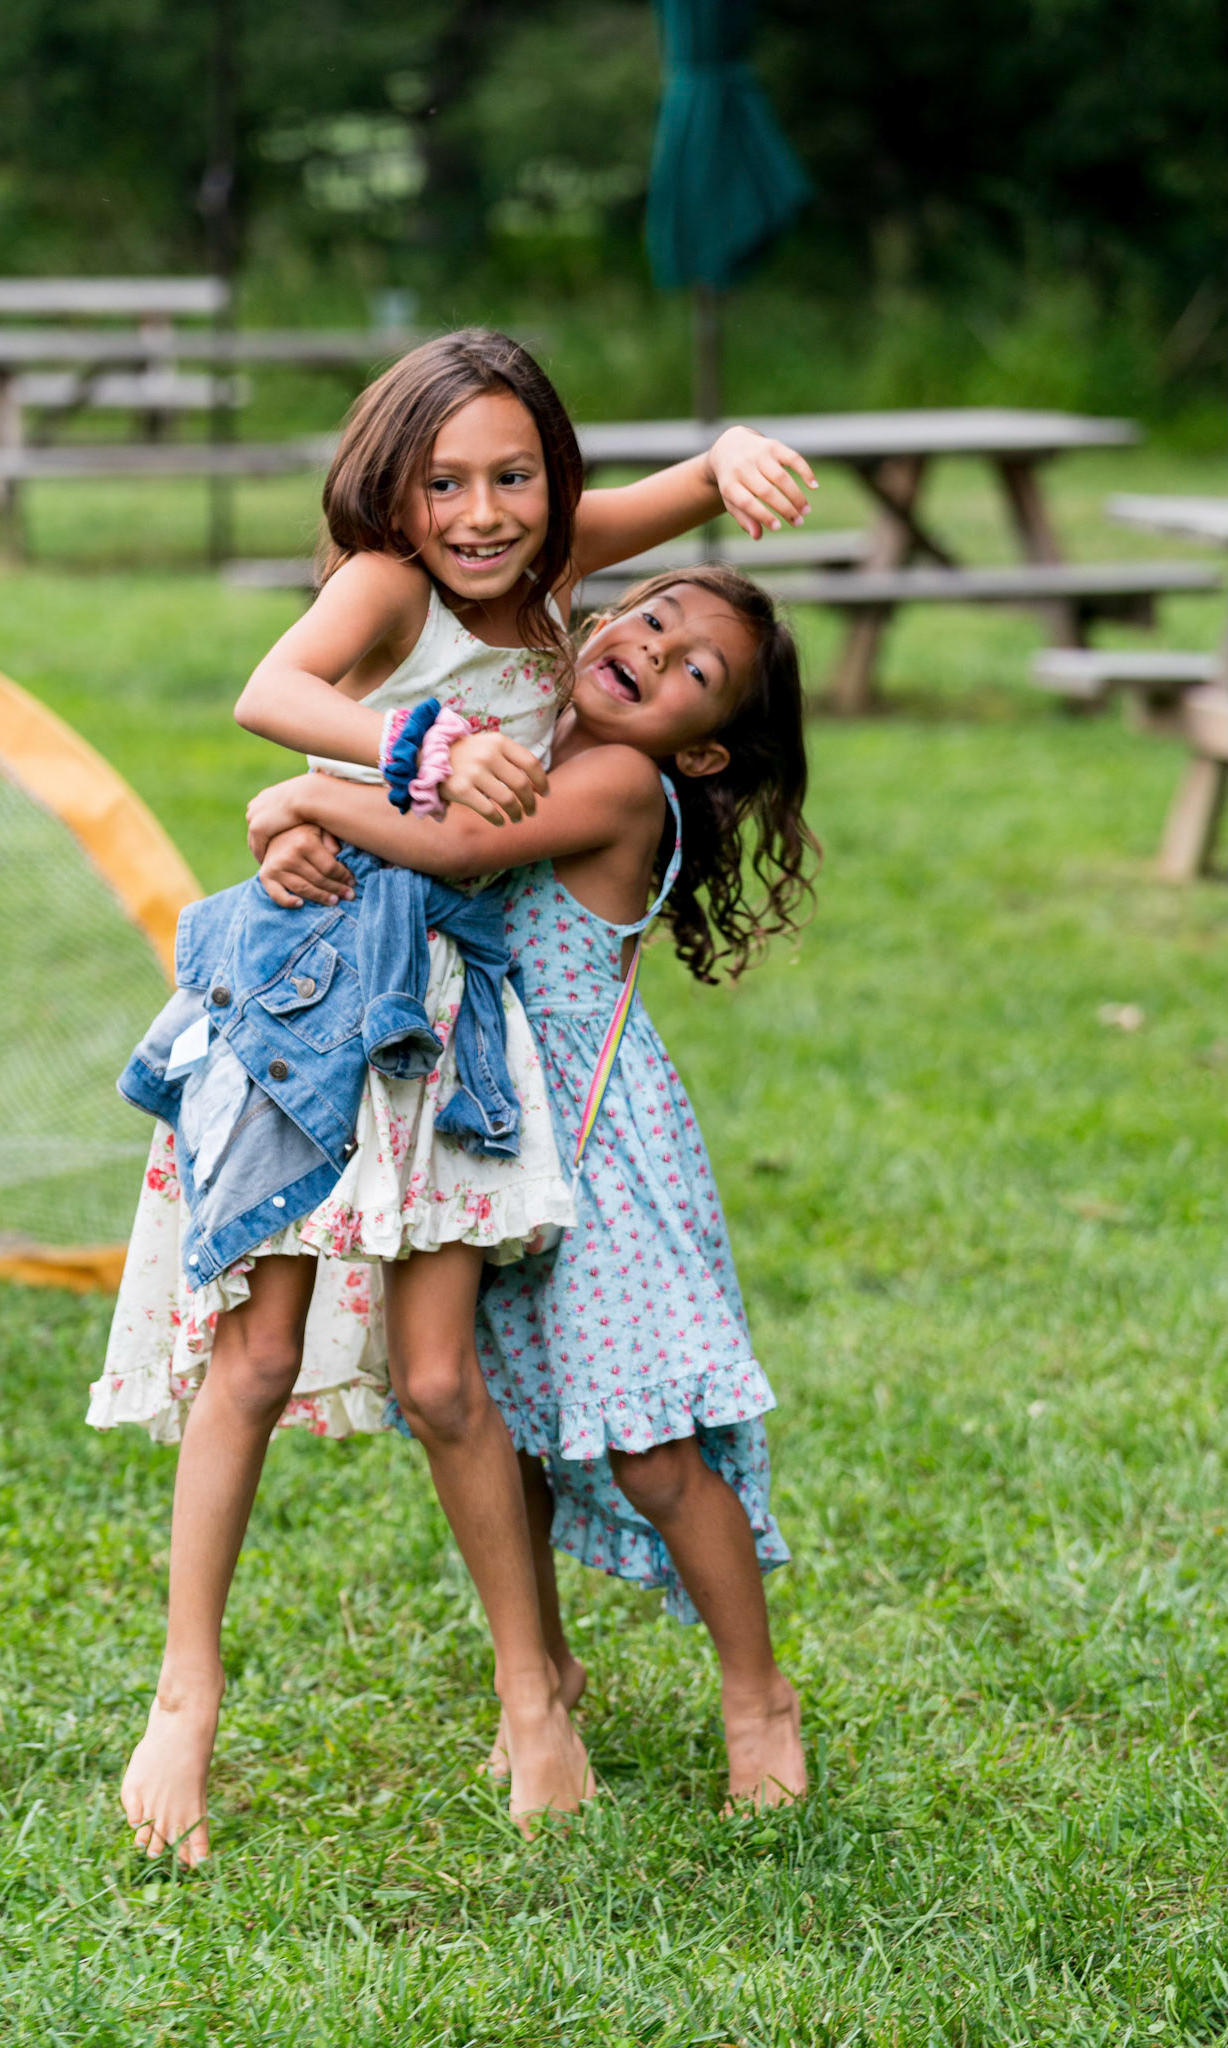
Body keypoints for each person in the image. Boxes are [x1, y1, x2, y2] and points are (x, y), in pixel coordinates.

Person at [89, 328, 818, 1859]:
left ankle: (657, 1695)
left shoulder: (578, 654)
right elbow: (280, 691)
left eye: (516, 479)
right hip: (357, 1029)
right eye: (445, 482)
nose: (483, 512)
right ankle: (232, 1695)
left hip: (500, 1080)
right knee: (346, 1369)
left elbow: (466, 834)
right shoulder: (409, 587)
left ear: (558, 489)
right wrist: (369, 762)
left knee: (524, 1405)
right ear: (394, 488)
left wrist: (304, 800)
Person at [250, 563, 817, 1811]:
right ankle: (544, 1664)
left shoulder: (621, 781)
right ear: (603, 618)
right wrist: (300, 823)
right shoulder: (518, 730)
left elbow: (455, 844)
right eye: (653, 618)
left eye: (695, 670)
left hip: (594, 1145)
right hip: (485, 1130)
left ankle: (756, 1690)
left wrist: (305, 791)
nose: (654, 650)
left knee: (652, 1449)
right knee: (500, 1419)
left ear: (703, 752)